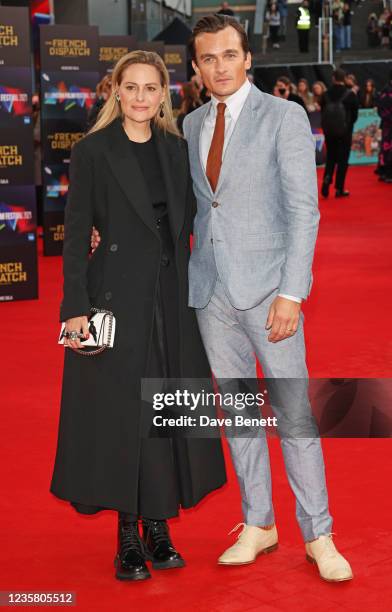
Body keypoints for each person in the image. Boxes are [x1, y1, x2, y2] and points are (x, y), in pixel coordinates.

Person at [183, 14, 353, 582]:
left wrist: (292, 293)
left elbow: (305, 211)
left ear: (248, 57)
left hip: (269, 293)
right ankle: (258, 522)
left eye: (229, 54)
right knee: (238, 414)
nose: (220, 67)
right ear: (197, 67)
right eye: (208, 59)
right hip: (212, 294)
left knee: (294, 414)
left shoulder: (284, 117)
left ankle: (319, 533)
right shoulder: (191, 125)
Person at [50, 50, 226, 582]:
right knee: (123, 413)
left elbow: (200, 216)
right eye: (132, 87)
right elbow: (78, 232)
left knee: (166, 408)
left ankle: (159, 524)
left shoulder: (178, 150)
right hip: (115, 297)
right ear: (116, 92)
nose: (142, 98)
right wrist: (74, 309)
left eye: (152, 88)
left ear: (164, 95)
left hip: (170, 298)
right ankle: (128, 532)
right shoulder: (93, 152)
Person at [320, 68, 359, 198]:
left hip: (329, 131)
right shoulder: (350, 95)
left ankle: (327, 179)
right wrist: (347, 126)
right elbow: (355, 115)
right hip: (345, 132)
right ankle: (339, 188)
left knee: (331, 157)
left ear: (333, 78)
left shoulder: (325, 94)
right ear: (345, 79)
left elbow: (322, 111)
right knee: (343, 160)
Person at [376, 70, 392, 183]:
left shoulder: (384, 91)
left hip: (387, 124)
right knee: (387, 149)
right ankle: (387, 173)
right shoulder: (386, 92)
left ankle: (384, 172)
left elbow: (380, 110)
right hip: (388, 125)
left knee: (386, 149)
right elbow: (381, 109)